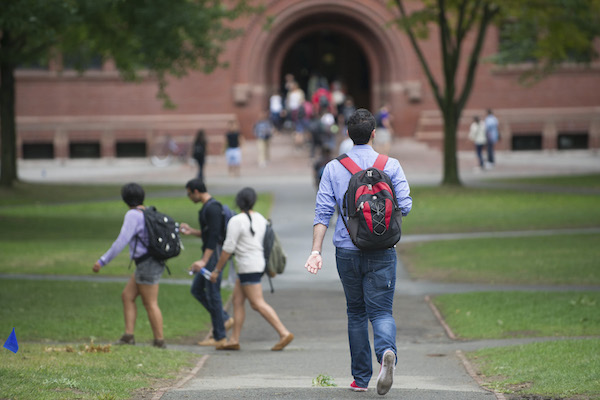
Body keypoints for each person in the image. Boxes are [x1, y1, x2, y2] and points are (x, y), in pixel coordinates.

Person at [304, 109, 412, 395]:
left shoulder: (333, 168)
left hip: (346, 250)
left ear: (347, 136)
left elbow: (322, 212)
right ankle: (387, 353)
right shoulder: (391, 164)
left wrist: (316, 251)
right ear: (374, 133)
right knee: (382, 312)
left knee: (356, 313)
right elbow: (407, 205)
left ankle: (360, 379)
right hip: (383, 249)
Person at [210, 187, 294, 352]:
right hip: (255, 264)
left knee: (257, 303)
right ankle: (234, 339)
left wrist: (217, 270)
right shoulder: (261, 219)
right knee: (237, 301)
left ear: (239, 201)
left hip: (248, 266)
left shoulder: (236, 220)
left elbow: (228, 248)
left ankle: (284, 333)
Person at [93, 183, 167, 349]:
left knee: (150, 303)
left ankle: (160, 341)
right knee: (127, 296)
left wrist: (102, 261)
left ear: (125, 199)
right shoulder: (148, 211)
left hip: (147, 263)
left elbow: (121, 241)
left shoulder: (133, 215)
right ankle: (129, 336)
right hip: (149, 263)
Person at [180, 179, 234, 347]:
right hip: (211, 254)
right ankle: (223, 320)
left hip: (214, 255)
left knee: (213, 292)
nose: (189, 197)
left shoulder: (212, 208)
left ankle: (220, 336)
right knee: (197, 290)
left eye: (189, 193)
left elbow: (214, 236)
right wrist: (192, 231)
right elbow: (207, 233)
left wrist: (204, 260)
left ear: (196, 191)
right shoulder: (207, 208)